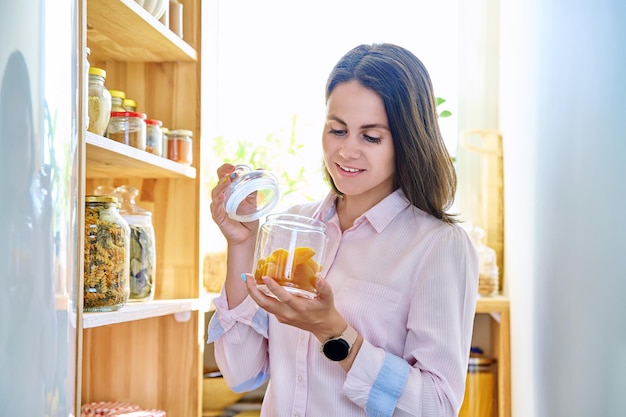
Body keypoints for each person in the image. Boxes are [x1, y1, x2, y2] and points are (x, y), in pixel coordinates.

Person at [208, 43, 478, 417]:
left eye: (370, 137)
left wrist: (333, 331)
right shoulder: (295, 229)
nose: (346, 152)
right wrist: (242, 241)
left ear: (407, 141)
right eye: (337, 130)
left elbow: (438, 405)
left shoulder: (437, 245)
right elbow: (241, 374)